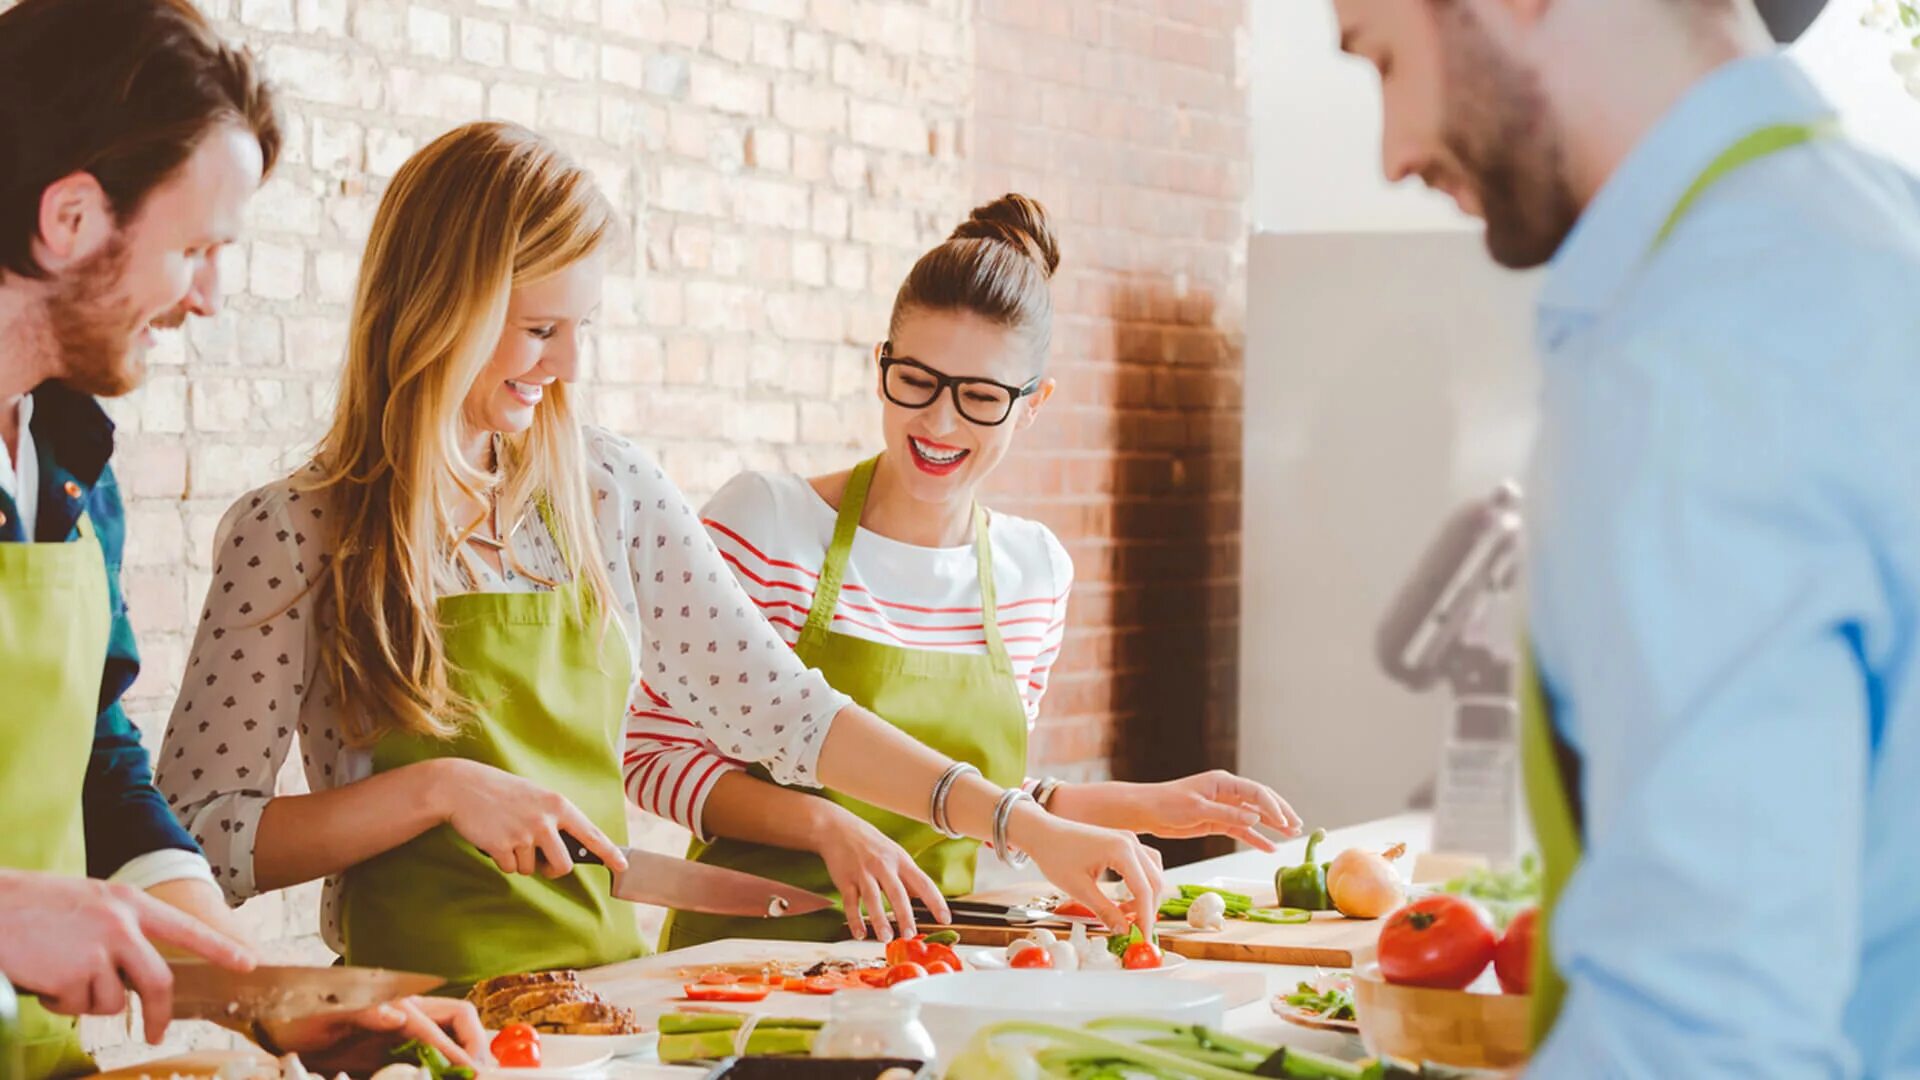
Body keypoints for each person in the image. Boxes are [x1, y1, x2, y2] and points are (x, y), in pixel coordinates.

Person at [157, 121, 1170, 990]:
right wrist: (434, 791)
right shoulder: (296, 530)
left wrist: (1021, 828)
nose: (565, 370)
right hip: (409, 1024)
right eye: (539, 328)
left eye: (581, 327)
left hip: (607, 1010)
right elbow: (198, 833)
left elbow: (788, 713)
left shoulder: (607, 494)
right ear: (436, 307)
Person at [1330, 0, 1919, 1075]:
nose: (1393, 152)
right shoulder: (1874, 240)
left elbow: (1705, 1041)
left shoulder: (1698, 353)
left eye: (1382, 58)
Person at [0, 1, 480, 1075]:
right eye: (197, 248)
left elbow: (93, 764)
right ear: (70, 218)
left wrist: (255, 989)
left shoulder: (67, 459)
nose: (210, 298)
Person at [630, 194, 1302, 950]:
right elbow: (652, 755)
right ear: (881, 362)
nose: (940, 423)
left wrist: (1146, 805)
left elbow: (988, 801)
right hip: (746, 963)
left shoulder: (1033, 573)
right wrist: (826, 826)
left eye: (981, 397)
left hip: (931, 966)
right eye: (916, 380)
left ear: (1034, 405)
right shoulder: (769, 525)